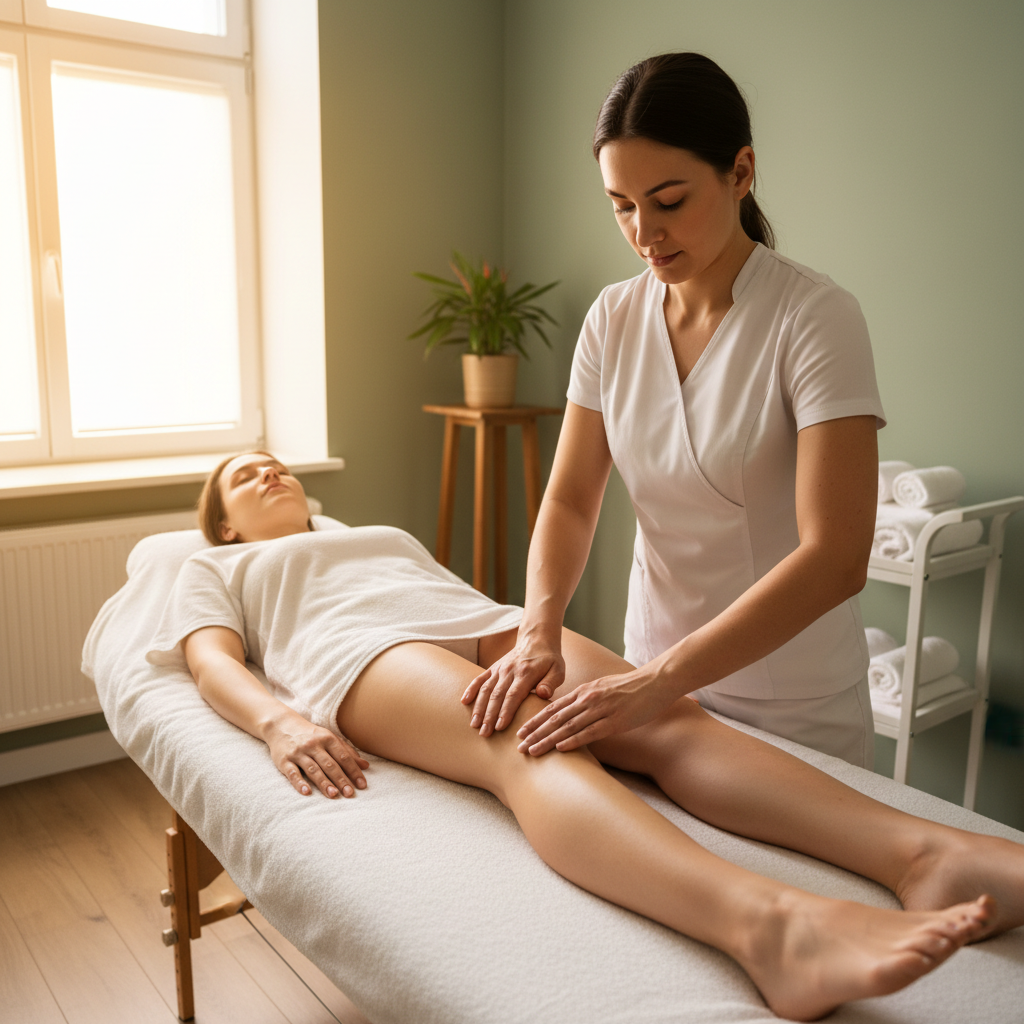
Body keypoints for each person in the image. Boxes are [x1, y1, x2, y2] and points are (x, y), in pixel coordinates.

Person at [152, 451, 1024, 1023]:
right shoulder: (214, 565)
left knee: (663, 715)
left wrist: (525, 632)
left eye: (274, 465)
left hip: (487, 622)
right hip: (368, 654)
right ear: (224, 523)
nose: (266, 472)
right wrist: (278, 722)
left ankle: (926, 855)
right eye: (242, 477)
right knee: (529, 743)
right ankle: (770, 927)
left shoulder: (375, 534)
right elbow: (211, 663)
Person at [465, 53, 887, 767]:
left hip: (791, 702)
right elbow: (570, 498)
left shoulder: (814, 318)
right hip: (650, 689)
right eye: (621, 206)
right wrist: (537, 627)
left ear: (740, 173)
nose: (643, 233)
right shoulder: (613, 318)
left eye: (669, 200)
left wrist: (660, 681)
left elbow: (836, 558)